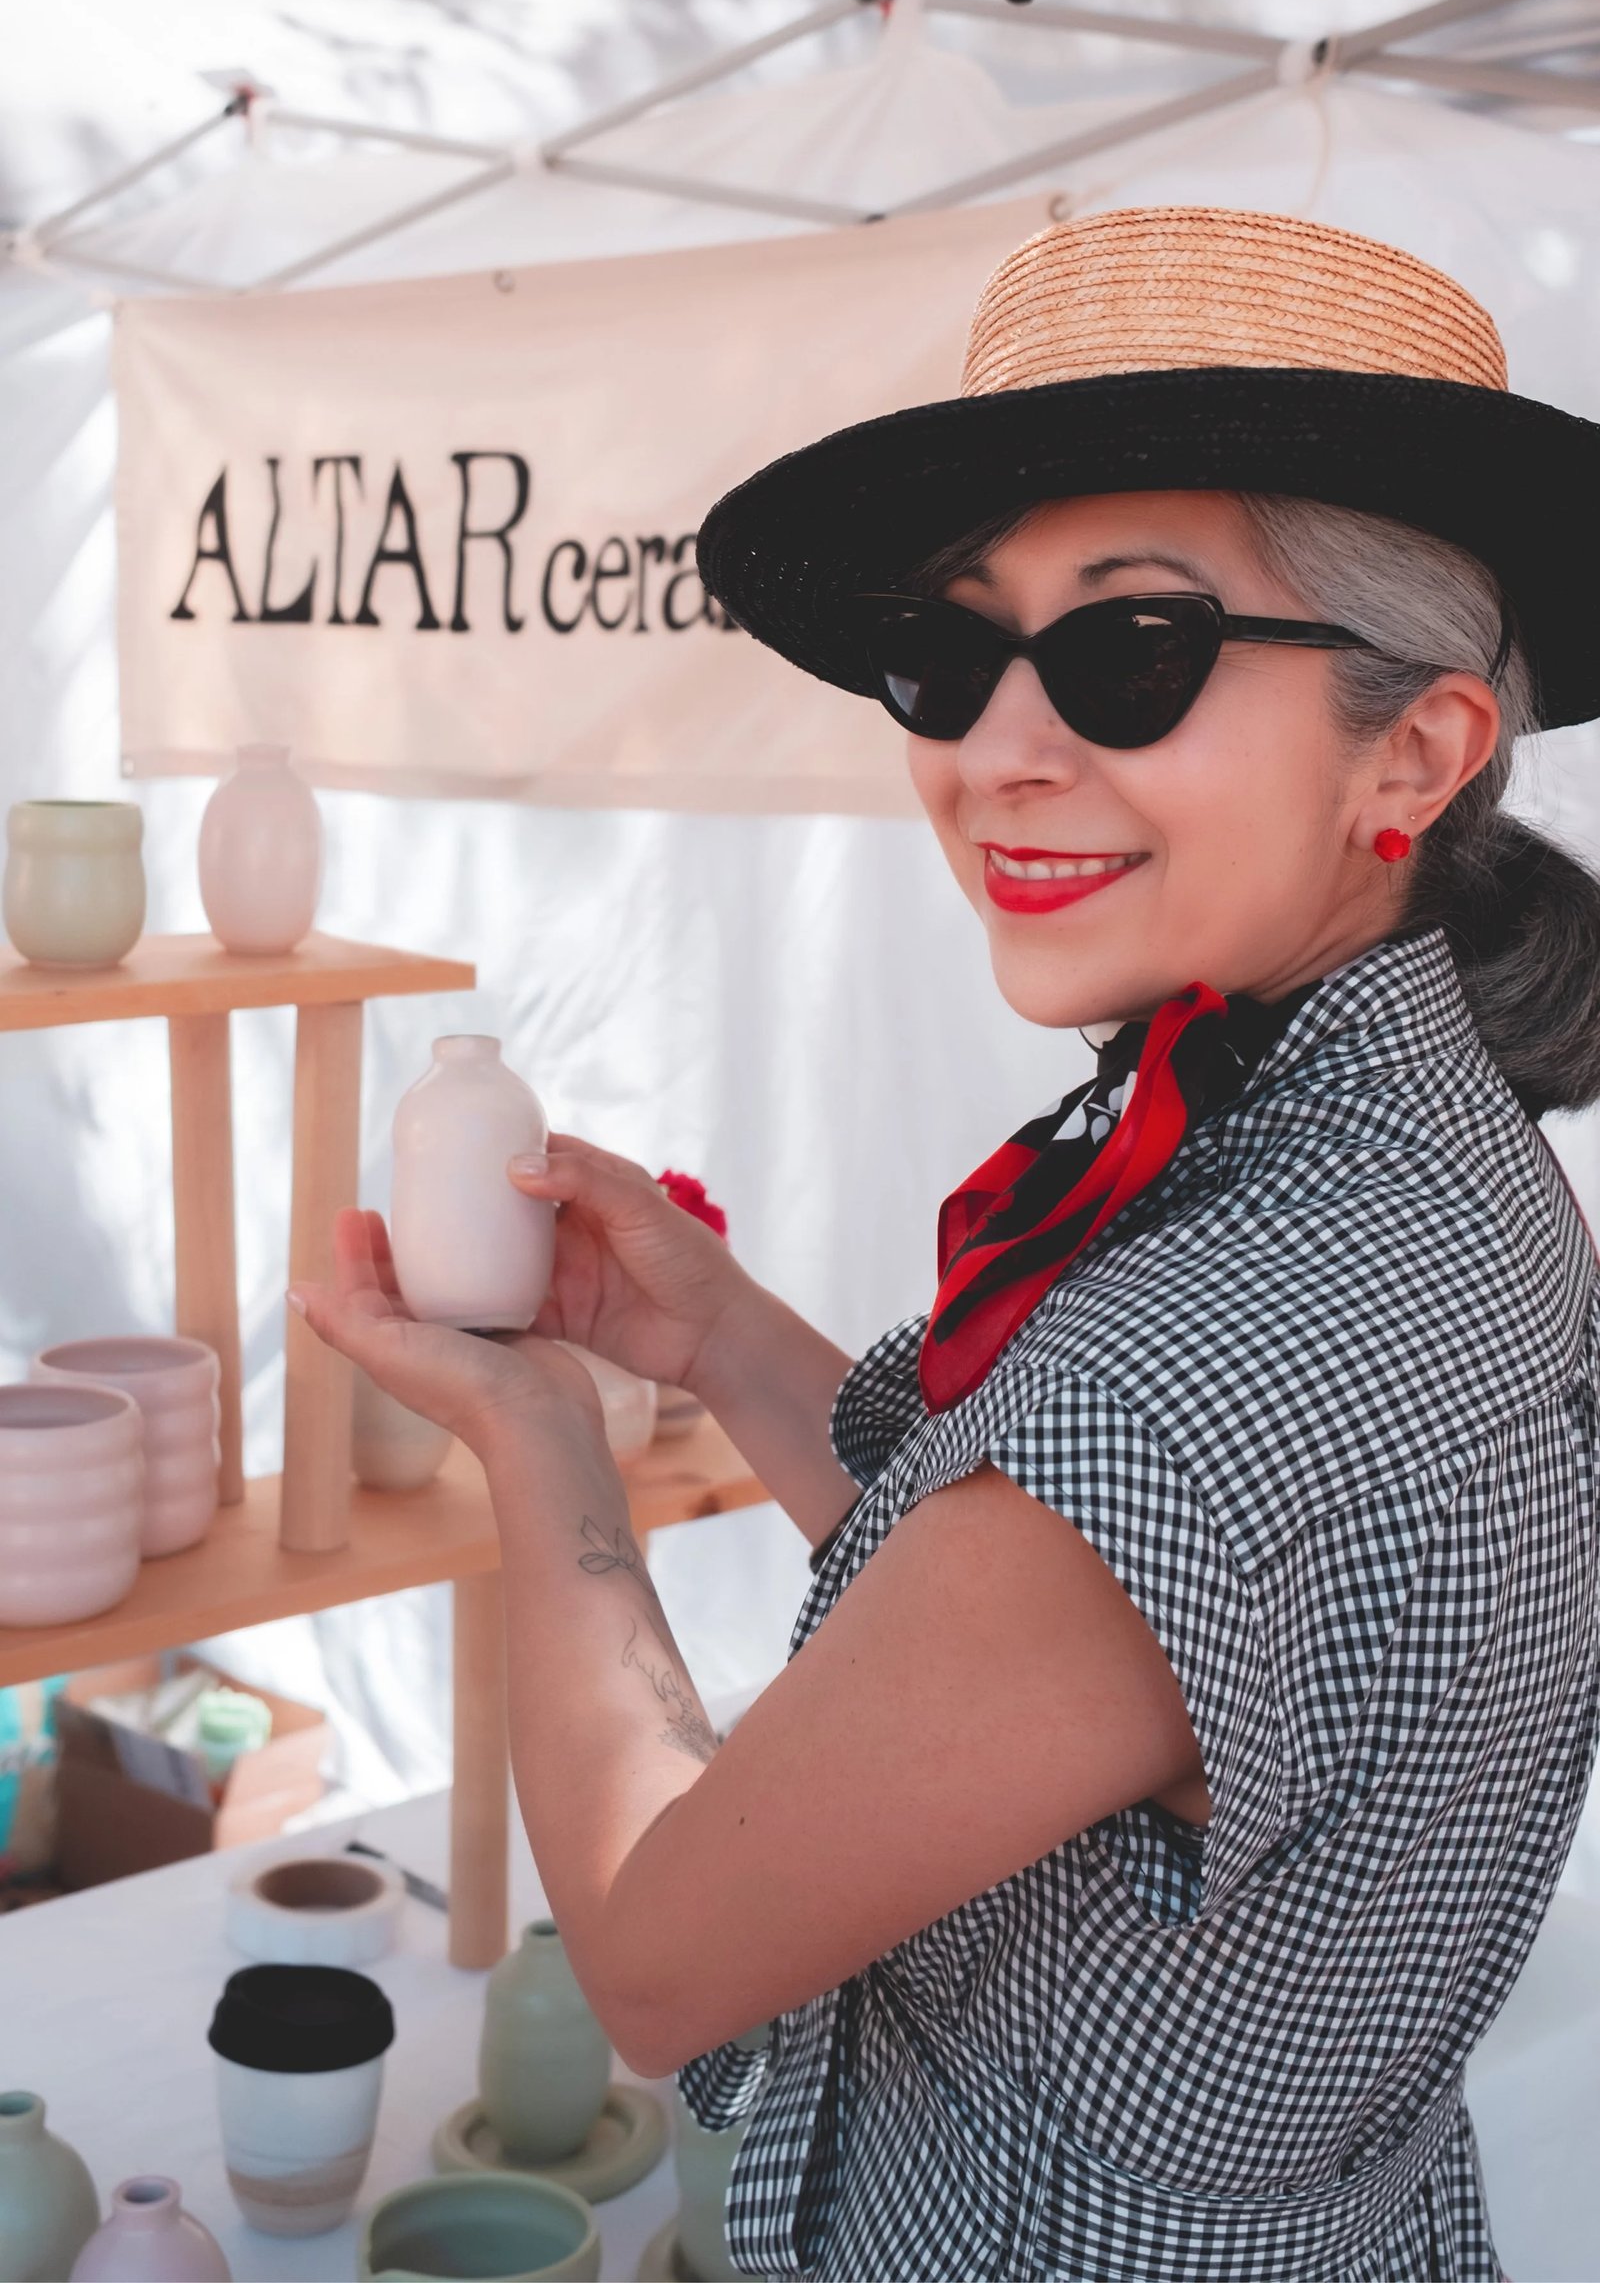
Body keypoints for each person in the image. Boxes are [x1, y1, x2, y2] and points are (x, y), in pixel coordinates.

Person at [289, 206, 1600, 2282]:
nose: (988, 749)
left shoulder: (1216, 1354)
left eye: (1128, 648)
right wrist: (714, 1338)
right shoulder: (1413, 1169)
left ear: (1412, 753)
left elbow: (649, 1953)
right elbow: (1044, 1625)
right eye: (947, 648)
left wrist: (544, 1455)